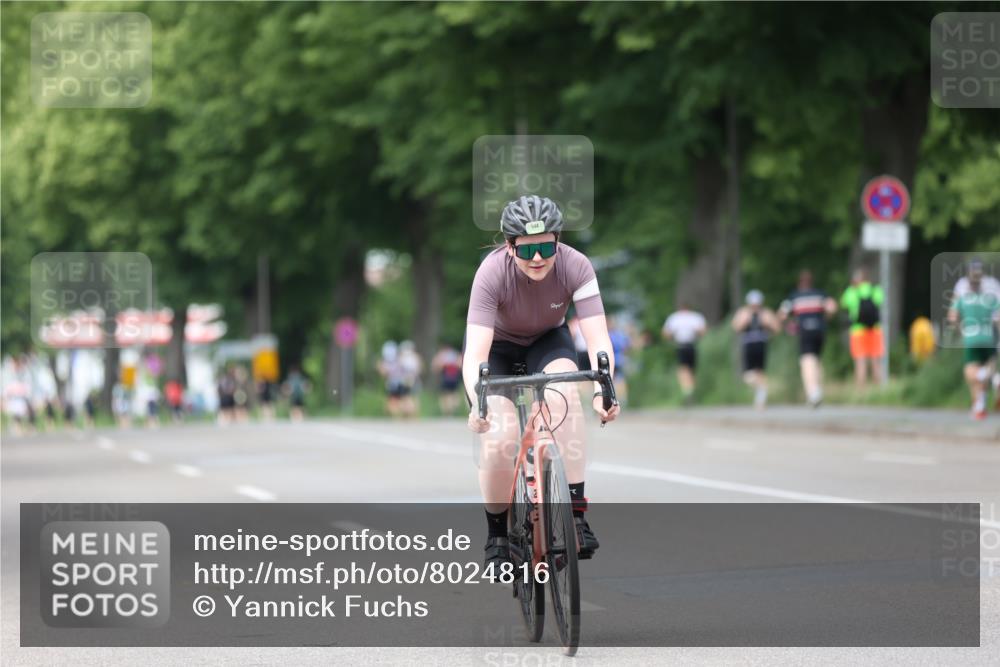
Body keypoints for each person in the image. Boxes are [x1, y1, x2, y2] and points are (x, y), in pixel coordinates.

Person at [463, 195, 620, 570]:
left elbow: (598, 341)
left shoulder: (576, 266)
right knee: (500, 438)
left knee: (566, 395)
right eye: (527, 249)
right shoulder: (491, 273)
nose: (537, 258)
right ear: (509, 245)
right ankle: (498, 535)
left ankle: (576, 515)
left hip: (548, 342)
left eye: (546, 247)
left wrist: (603, 388)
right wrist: (477, 403)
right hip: (498, 349)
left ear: (558, 241)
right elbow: (476, 352)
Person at [948, 260, 1000, 419]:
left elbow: (952, 316)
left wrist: (960, 330)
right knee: (987, 369)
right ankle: (980, 407)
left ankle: (990, 379)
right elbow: (998, 318)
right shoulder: (990, 293)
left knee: (971, 373)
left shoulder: (963, 293)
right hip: (989, 337)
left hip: (972, 338)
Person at [779, 270, 837, 407]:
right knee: (816, 360)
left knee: (807, 361)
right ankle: (817, 390)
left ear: (800, 283)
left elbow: (782, 314)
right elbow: (832, 307)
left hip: (804, 331)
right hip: (819, 331)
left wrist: (789, 325)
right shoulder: (820, 294)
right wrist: (825, 319)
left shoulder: (794, 297)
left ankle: (813, 392)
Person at [731, 290, 780, 409]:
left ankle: (760, 400)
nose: (755, 307)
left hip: (761, 344)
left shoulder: (766, 313)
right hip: (748, 344)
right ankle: (762, 390)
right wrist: (744, 322)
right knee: (748, 375)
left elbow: (777, 328)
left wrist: (768, 324)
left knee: (760, 371)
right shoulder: (743, 313)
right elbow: (735, 328)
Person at [840, 268, 885, 387]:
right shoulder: (875, 289)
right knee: (876, 360)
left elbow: (843, 303)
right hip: (875, 329)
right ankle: (878, 391)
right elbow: (880, 301)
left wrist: (852, 287)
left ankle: (861, 391)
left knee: (860, 361)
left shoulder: (852, 291)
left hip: (858, 330)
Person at [661, 303, 706, 404]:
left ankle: (688, 391)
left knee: (685, 370)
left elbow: (665, 333)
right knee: (688, 369)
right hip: (691, 345)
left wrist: (672, 336)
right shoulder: (695, 317)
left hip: (682, 345)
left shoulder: (675, 318)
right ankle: (690, 391)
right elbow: (703, 331)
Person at [607, 316, 633, 406]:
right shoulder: (620, 335)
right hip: (621, 359)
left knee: (611, 380)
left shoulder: (608, 335)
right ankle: (622, 400)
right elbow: (627, 346)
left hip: (612, 360)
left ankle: (613, 399)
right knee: (620, 380)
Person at [431, 345, 463, 415]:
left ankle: (447, 410)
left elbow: (436, 366)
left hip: (446, 377)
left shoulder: (442, 355)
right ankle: (452, 408)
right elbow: (460, 365)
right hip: (455, 378)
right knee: (453, 394)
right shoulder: (455, 355)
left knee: (445, 395)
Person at [398, 340, 423, 418]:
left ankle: (407, 414)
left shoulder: (401, 357)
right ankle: (415, 415)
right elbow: (420, 368)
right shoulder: (416, 357)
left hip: (405, 379)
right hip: (415, 378)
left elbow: (399, 369)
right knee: (414, 397)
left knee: (406, 397)